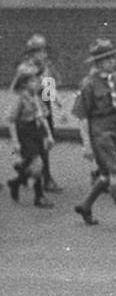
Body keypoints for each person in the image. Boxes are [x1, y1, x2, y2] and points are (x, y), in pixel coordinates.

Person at [71, 38, 116, 230]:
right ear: (100, 62)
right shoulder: (89, 84)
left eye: (113, 58)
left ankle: (86, 206)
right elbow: (83, 117)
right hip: (100, 130)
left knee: (106, 174)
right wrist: (86, 145)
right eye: (109, 59)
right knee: (115, 171)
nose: (113, 61)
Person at [7, 63, 53, 207]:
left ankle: (16, 182)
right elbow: (11, 121)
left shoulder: (36, 97)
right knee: (38, 164)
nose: (38, 82)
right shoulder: (20, 99)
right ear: (25, 83)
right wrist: (15, 142)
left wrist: (49, 135)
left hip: (37, 131)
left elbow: (43, 117)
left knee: (37, 163)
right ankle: (39, 197)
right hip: (25, 132)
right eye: (34, 80)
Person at [21, 34, 60, 192]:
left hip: (44, 107)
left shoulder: (45, 66)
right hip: (31, 110)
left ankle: (40, 174)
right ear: (32, 53)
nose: (44, 54)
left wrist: (56, 103)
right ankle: (44, 177)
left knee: (45, 143)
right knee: (38, 143)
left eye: (44, 51)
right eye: (40, 51)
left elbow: (48, 88)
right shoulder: (27, 69)